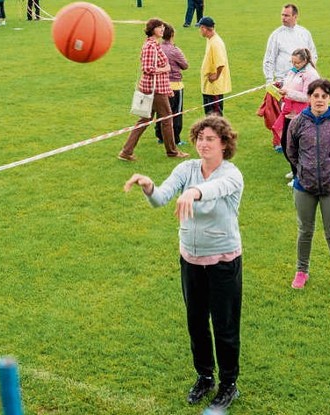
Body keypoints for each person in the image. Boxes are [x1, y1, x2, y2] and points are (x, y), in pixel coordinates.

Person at [123, 115, 243, 412]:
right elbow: (162, 198)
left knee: (225, 325)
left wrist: (194, 191)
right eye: (200, 137)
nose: (203, 143)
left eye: (210, 139)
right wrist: (149, 186)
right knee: (196, 322)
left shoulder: (232, 174)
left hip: (223, 262)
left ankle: (228, 384)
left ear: (224, 144)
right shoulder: (185, 168)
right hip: (191, 260)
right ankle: (205, 376)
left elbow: (215, 190)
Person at [286, 79, 330, 295]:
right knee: (305, 231)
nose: (320, 100)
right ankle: (301, 271)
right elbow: (291, 150)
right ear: (309, 98)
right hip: (304, 186)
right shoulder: (298, 122)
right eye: (316, 96)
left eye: (324, 96)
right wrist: (302, 171)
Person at [119, 18, 189, 162]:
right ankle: (172, 151)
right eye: (159, 27)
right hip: (155, 90)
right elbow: (147, 68)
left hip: (154, 88)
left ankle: (126, 151)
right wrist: (165, 68)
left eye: (163, 27)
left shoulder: (153, 44)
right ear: (152, 29)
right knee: (167, 119)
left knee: (145, 120)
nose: (162, 30)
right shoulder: (151, 46)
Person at [272, 48, 320, 186]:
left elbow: (308, 96)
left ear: (305, 61)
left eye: (297, 62)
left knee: (296, 146)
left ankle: (299, 176)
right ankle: (295, 170)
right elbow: (288, 85)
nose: (294, 65)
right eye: (292, 62)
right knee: (286, 143)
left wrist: (288, 92)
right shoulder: (294, 71)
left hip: (301, 115)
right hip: (289, 112)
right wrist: (280, 87)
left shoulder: (311, 74)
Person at [263, 3, 318, 84]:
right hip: (283, 81)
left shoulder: (305, 33)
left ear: (295, 16)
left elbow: (313, 55)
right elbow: (269, 59)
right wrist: (269, 80)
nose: (283, 18)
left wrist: (307, 72)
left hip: (302, 80)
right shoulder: (276, 35)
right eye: (282, 15)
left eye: (286, 15)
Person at [155, 23, 189, 146]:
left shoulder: (157, 48)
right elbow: (185, 65)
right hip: (175, 85)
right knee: (176, 113)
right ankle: (176, 138)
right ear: (172, 35)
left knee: (162, 112)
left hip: (161, 84)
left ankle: (160, 136)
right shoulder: (174, 50)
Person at [198, 16, 231, 116]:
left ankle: (220, 132)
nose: (200, 31)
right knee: (209, 116)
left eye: (200, 28)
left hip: (214, 88)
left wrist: (216, 76)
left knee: (215, 117)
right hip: (209, 87)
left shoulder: (216, 43)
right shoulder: (210, 39)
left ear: (204, 28)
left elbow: (221, 63)